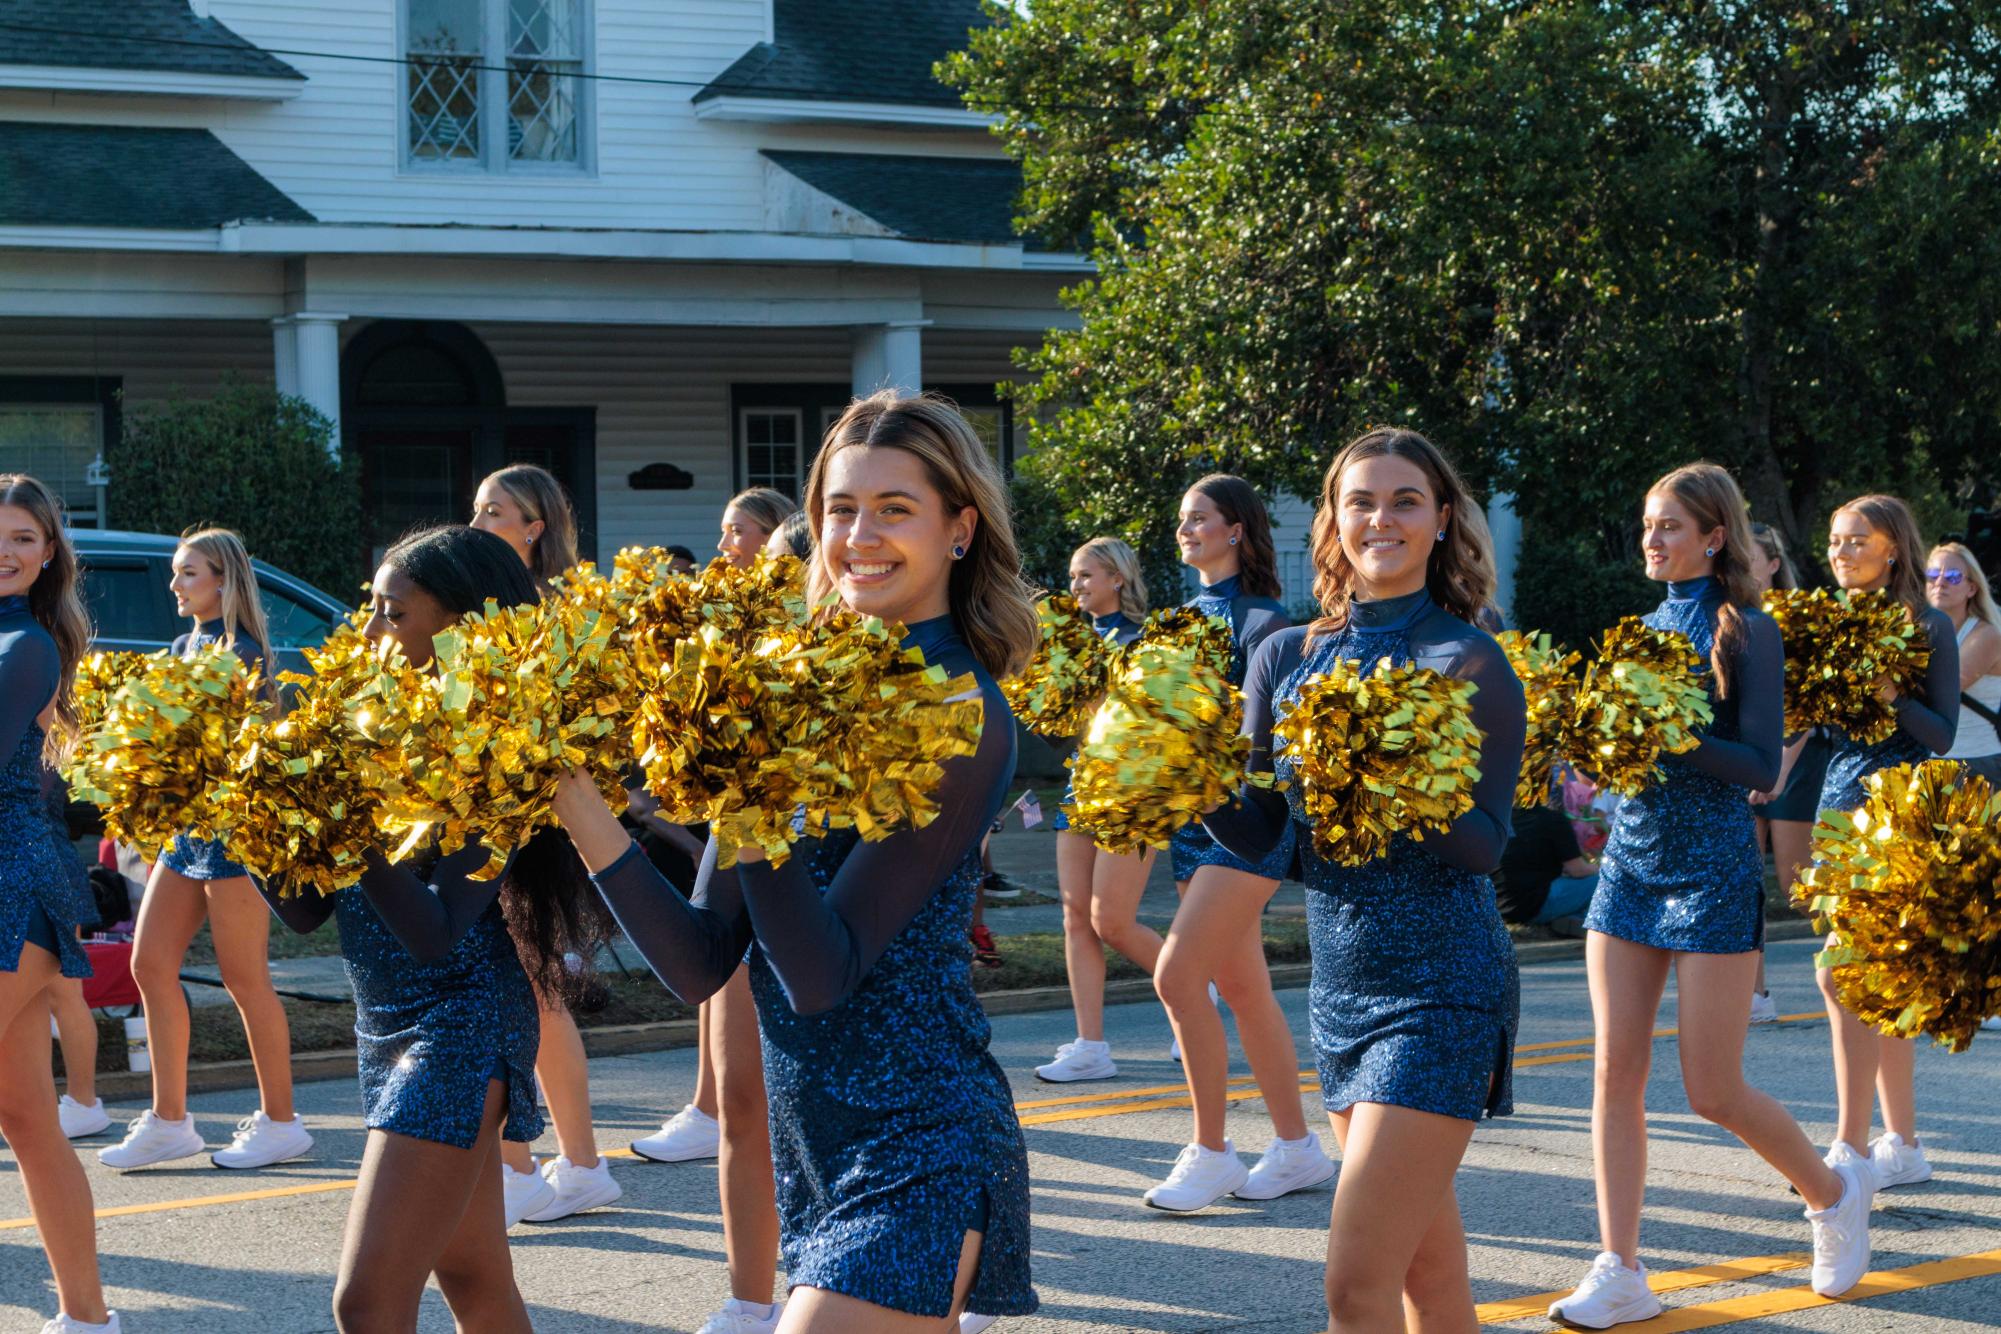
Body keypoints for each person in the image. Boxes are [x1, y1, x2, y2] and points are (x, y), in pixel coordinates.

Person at [553, 389, 1040, 1331]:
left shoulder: (959, 714)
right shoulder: (795, 696)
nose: (860, 534)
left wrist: (750, 785)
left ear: (960, 529)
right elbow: (701, 962)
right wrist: (576, 802)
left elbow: (822, 974)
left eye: (895, 509)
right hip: (814, 1147)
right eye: (840, 508)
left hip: (919, 1141)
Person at [1199, 430, 1524, 1329]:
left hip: (1442, 988)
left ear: (1441, 518)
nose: (1380, 519)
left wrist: (1383, 770)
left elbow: (1483, 847)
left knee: (1353, 1286)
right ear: (1332, 520)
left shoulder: (1468, 660)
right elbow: (1269, 839)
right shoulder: (1287, 656)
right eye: (1361, 501)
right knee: (1428, 1277)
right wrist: (1191, 784)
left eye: (1405, 501)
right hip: (1340, 990)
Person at [1548, 463, 1873, 1327]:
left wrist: (1668, 731)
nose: (1651, 541)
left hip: (1711, 867)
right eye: (1646, 526)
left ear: (1713, 536)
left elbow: (1759, 768)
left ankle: (1832, 1193)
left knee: (1711, 1089)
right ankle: (1618, 1266)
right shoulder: (1634, 630)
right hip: (1630, 865)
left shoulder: (1748, 630)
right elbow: (1626, 755)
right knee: (1614, 1070)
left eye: (1669, 527)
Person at [257, 523, 603, 1331]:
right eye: (371, 609)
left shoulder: (498, 744)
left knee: (367, 1301)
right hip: (383, 1026)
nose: (369, 632)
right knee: (477, 1278)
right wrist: (252, 817)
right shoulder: (371, 725)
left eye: (392, 613)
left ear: (462, 626)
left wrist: (348, 826)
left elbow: (438, 932)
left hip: (460, 1023)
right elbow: (307, 910)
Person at [625, 484, 802, 1333]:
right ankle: (748, 1302)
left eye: (787, 575)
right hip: (744, 869)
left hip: (843, 913)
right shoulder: (749, 680)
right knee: (738, 1102)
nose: (770, 589)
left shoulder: (899, 697)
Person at [1147, 475, 1335, 1211]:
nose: (1186, 530)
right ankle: (1295, 1147)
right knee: (1243, 987)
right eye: (1182, 519)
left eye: (1201, 519)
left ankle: (1212, 1150)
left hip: (1248, 822)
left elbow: (1259, 738)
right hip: (1192, 824)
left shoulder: (1263, 620)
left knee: (1174, 976)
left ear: (1236, 530)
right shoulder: (1175, 617)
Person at [98, 529, 310, 1173]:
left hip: (235, 836)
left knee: (246, 980)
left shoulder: (244, 656)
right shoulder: (182, 645)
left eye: (187, 573)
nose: (175, 585)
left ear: (223, 580)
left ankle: (282, 1123)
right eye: (176, 573)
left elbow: (227, 755)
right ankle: (170, 1122)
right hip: (188, 833)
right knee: (149, 963)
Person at [469, 464, 625, 1225]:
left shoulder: (556, 608)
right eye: (475, 509)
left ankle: (549, 1166)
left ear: (534, 527)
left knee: (533, 990)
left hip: (536, 820)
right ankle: (565, 1164)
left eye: (493, 511)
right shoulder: (483, 602)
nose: (478, 522)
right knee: (526, 990)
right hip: (492, 813)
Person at [1814, 495, 1959, 1191]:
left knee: (1842, 973)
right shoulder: (1828, 621)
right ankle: (1900, 1141)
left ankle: (1848, 1144)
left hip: (1897, 811)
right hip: (1837, 804)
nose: (1840, 553)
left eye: (1855, 541)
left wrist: (1890, 694)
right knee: (1878, 980)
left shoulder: (1927, 623)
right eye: (1836, 541)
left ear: (1891, 549)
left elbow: (1941, 734)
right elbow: (1816, 730)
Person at [0, 475, 117, 1334]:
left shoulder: (27, 645)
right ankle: (87, 1318)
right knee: (27, 1118)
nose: (6, 550)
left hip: (13, 886)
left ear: (48, 558)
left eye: (24, 538)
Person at [1034, 538, 1152, 1083]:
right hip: (1081, 786)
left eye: (1086, 576)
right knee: (1075, 916)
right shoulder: (1072, 642)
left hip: (1128, 794)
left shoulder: (1143, 642)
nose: (1076, 586)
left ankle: (1190, 985)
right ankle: (1091, 1045)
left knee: (1114, 922)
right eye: (1073, 576)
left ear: (1117, 580)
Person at [1745, 521, 1819, 1024]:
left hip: (1794, 761)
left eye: (1753, 557)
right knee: (1744, 881)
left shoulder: (1796, 622)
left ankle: (1874, 961)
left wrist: (1781, 768)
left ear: (1773, 564)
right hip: (1745, 765)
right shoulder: (1730, 616)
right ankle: (1755, 994)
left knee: (1800, 887)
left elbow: (1811, 704)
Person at [1926, 542, 2001, 785]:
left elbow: (1942, 691)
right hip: (1928, 760)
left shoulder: (1987, 635)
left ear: (1971, 588)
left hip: (1975, 764)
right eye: (1933, 574)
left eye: (1953, 576)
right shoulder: (1916, 630)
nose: (1940, 582)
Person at [1493, 785, 1598, 928]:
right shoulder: (1553, 819)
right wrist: (1601, 868)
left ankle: (1569, 918)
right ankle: (1576, 919)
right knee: (1603, 881)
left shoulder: (1498, 818)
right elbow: (1577, 870)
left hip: (1497, 908)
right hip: (1533, 907)